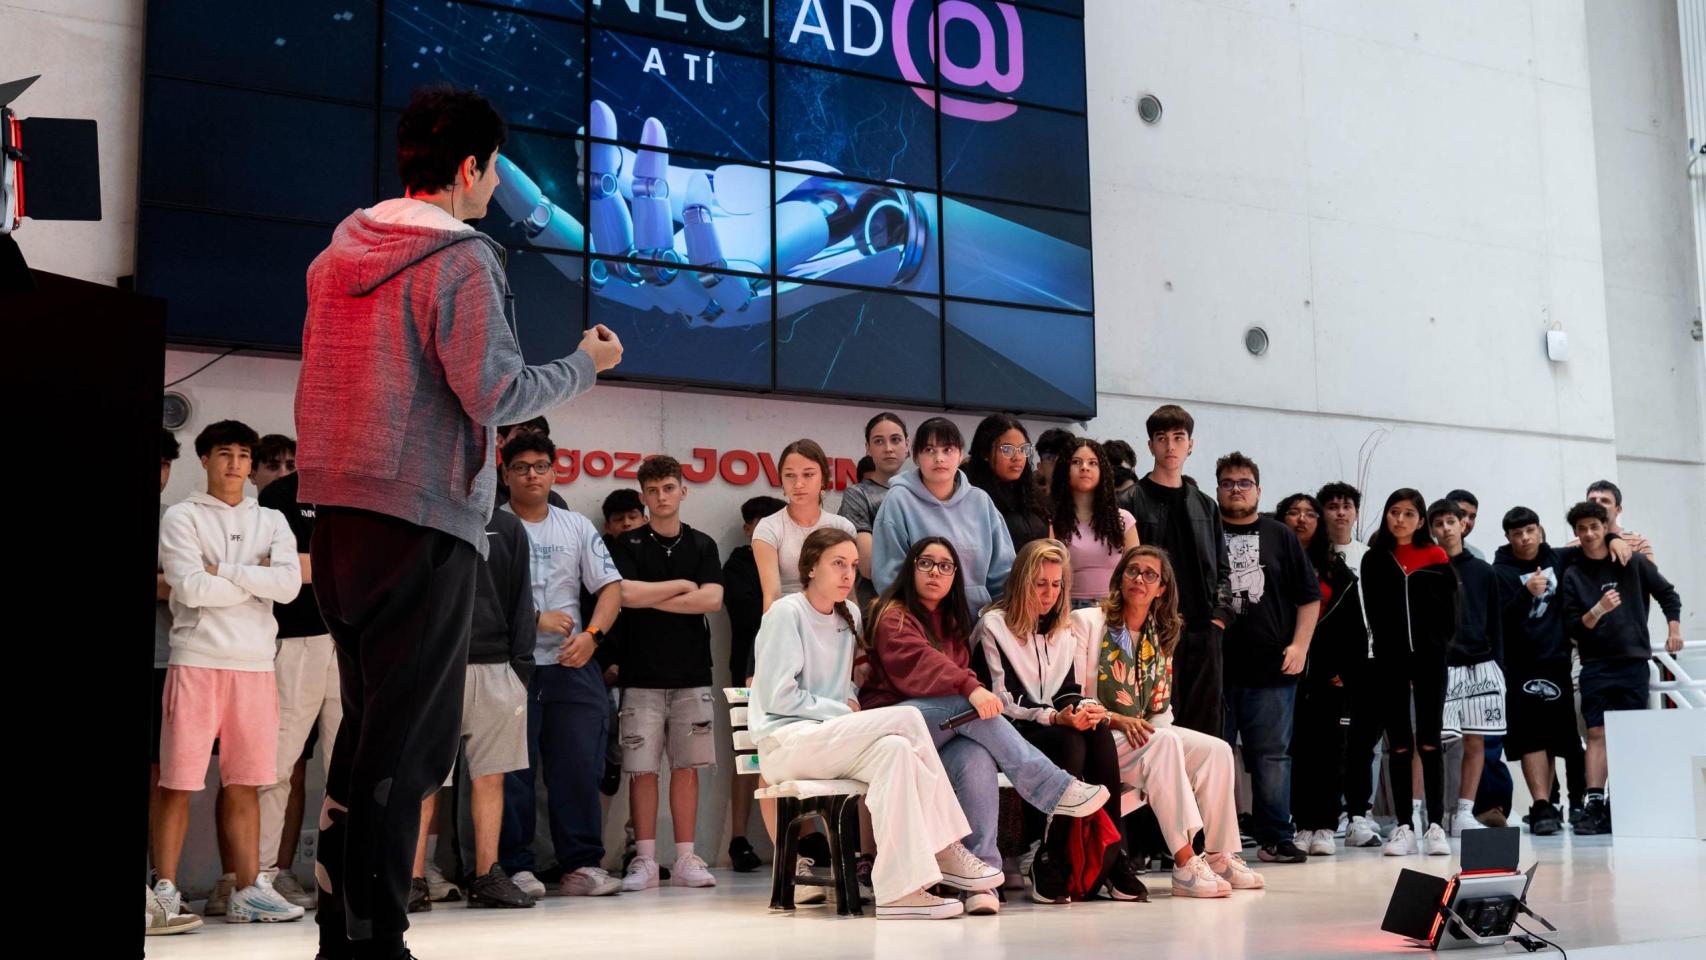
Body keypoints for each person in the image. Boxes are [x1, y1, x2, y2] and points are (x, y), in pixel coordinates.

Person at [296, 85, 622, 960]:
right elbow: (498, 392)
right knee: (408, 742)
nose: (491, 195)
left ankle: (344, 929)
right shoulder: (464, 259)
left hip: (338, 526)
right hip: (421, 522)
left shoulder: (336, 257)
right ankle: (375, 937)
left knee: (367, 734)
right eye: (493, 173)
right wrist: (584, 367)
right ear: (470, 168)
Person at [749, 528, 1004, 920]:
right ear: (811, 568)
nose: (849, 574)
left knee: (897, 751)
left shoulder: (849, 613)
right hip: (786, 744)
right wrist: (845, 710)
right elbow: (778, 697)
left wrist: (850, 693)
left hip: (827, 740)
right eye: (838, 564)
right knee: (907, 717)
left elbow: (843, 680)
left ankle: (898, 891)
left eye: (853, 565)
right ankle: (946, 844)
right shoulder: (786, 612)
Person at [860, 536, 1114, 914]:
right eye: (926, 563)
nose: (935, 573)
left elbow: (958, 672)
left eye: (945, 566)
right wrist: (970, 689)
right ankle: (1053, 787)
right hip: (895, 726)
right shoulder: (892, 614)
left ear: (955, 578)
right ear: (910, 568)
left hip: (940, 731)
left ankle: (983, 881)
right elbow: (920, 666)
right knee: (970, 704)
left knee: (977, 754)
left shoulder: (951, 622)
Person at [154, 420, 306, 924]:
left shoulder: (273, 522)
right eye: (225, 454)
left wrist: (225, 572)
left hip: (256, 666)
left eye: (243, 455)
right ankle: (165, 891)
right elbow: (190, 588)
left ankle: (247, 890)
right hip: (197, 660)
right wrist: (253, 579)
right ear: (204, 459)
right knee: (178, 782)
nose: (235, 464)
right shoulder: (182, 517)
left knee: (246, 781)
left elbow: (287, 588)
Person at [1073, 545, 1265, 896]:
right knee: (1163, 743)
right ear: (1120, 578)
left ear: (1162, 588)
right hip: (1098, 735)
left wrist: (1161, 743)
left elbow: (1160, 710)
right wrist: (1118, 719)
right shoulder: (1088, 622)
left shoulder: (1159, 633)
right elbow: (1073, 694)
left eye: (1150, 575)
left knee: (1216, 751)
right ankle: (1185, 861)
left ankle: (1221, 854)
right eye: (1132, 571)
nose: (1139, 579)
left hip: (1143, 735)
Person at [497, 433, 627, 899]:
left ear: (555, 471)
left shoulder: (575, 526)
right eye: (521, 467)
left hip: (573, 664)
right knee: (512, 770)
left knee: (578, 768)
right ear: (505, 473)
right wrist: (534, 621)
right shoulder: (490, 525)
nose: (532, 474)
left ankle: (582, 866)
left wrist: (593, 638)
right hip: (512, 667)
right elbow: (478, 596)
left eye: (540, 466)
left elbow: (611, 588)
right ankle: (513, 867)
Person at [974, 539, 1130, 904]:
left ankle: (1111, 850)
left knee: (1098, 732)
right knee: (1069, 743)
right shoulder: (993, 625)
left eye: (1056, 584)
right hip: (1010, 729)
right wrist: (1055, 716)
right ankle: (1047, 853)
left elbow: (1069, 688)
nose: (1049, 593)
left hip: (1052, 721)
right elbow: (1003, 697)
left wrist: (1083, 708)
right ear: (1021, 583)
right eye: (1039, 583)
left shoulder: (1064, 628)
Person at [413, 507, 538, 911]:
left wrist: (520, 669)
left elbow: (522, 595)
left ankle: (487, 876)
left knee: (491, 777)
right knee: (422, 779)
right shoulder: (426, 516)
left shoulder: (507, 526)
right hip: (434, 665)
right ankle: (411, 879)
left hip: (498, 666)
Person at [611, 455, 726, 892]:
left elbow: (712, 600)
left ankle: (684, 857)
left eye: (668, 488)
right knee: (641, 770)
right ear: (643, 497)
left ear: (683, 490)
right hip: (640, 674)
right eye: (653, 490)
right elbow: (623, 593)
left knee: (688, 768)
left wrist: (651, 597)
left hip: (691, 673)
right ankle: (643, 859)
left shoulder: (702, 545)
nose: (661, 497)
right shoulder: (627, 545)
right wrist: (681, 587)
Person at [1214, 454, 1319, 864]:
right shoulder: (1206, 530)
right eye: (1227, 483)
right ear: (1218, 489)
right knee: (1214, 757)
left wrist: (1300, 647)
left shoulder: (1280, 535)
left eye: (1244, 483)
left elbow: (1309, 597)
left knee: (1272, 756)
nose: (1236, 489)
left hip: (1272, 667)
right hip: (1216, 667)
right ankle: (1213, 841)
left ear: (1258, 489)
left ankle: (1276, 835)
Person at [1559, 500, 1683, 835]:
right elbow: (1574, 626)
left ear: (1605, 528)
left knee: (1629, 733)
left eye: (1594, 527)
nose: (1588, 534)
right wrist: (1598, 609)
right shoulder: (1572, 573)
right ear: (1575, 533)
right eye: (1581, 529)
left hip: (1632, 660)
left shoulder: (1632, 561)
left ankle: (1624, 800)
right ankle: (1594, 801)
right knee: (1596, 732)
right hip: (1595, 662)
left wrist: (1674, 629)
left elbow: (1668, 594)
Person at [1116, 405, 1235, 739]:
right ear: (1151, 445)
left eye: (1178, 438)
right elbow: (1122, 569)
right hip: (1150, 630)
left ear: (1190, 445)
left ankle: (1198, 794)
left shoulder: (1205, 504)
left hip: (1202, 629)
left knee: (1205, 729)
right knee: (1154, 726)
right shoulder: (1128, 501)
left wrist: (1220, 616)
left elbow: (1222, 568)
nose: (1170, 446)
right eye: (1162, 438)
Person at [255, 466, 340, 911]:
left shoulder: (352, 490)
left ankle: (341, 877)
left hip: (349, 641)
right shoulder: (281, 494)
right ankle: (261, 876)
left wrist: (317, 566)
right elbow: (280, 569)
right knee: (278, 761)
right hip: (295, 638)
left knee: (347, 766)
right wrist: (340, 566)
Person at [1360, 489, 1458, 857]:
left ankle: (1435, 824)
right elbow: (1374, 611)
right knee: (1399, 744)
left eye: (1409, 513)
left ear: (1420, 520)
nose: (1400, 519)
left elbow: (1451, 615)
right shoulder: (1374, 559)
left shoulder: (1436, 558)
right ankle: (1404, 826)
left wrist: (1435, 648)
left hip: (1431, 660)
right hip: (1390, 660)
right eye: (1394, 512)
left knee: (1430, 742)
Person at [1492, 507, 1586, 836]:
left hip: (1558, 660)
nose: (1525, 538)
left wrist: (1616, 538)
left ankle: (1577, 804)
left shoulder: (1557, 558)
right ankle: (1542, 804)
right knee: (1531, 737)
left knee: (1565, 738)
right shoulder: (1499, 572)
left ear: (1540, 530)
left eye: (1530, 530)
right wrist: (1525, 593)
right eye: (1517, 533)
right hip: (1520, 664)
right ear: (1508, 537)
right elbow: (1499, 619)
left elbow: (1591, 544)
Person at [872, 417, 1015, 618]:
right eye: (929, 450)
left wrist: (996, 618)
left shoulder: (981, 501)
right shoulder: (898, 500)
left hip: (979, 624)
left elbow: (1004, 573)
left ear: (960, 455)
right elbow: (890, 577)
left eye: (947, 450)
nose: (939, 458)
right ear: (915, 457)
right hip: (922, 624)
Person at [1428, 500, 1508, 838]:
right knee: (1432, 744)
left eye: (1451, 521)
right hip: (1441, 666)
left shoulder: (1483, 570)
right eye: (1439, 524)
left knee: (1476, 743)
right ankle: (1425, 814)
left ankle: (1463, 811)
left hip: (1480, 665)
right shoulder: (1427, 569)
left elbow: (1495, 622)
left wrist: (1499, 668)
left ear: (1463, 525)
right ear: (1430, 529)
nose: (1446, 529)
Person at [1276, 493, 1349, 856]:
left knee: (1328, 750)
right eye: (1293, 512)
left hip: (1327, 673)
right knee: (1294, 750)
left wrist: (1342, 669)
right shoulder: (1272, 561)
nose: (1301, 519)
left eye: (1309, 514)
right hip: (1282, 669)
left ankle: (1327, 825)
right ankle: (1301, 823)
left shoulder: (1336, 568)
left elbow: (1351, 622)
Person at [721, 495, 784, 872]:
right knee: (747, 752)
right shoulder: (739, 563)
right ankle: (739, 836)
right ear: (748, 529)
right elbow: (750, 615)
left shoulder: (794, 561)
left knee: (798, 747)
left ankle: (808, 835)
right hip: (750, 663)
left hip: (796, 666)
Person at [754, 439, 857, 612]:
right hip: (789, 616)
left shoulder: (842, 527)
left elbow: (849, 590)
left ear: (823, 478)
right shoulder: (769, 528)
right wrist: (773, 635)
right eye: (790, 475)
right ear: (781, 480)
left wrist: (856, 634)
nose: (798, 484)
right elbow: (772, 594)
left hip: (834, 615)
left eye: (808, 474)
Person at [1051, 437, 1138, 607]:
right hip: (1066, 609)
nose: (1084, 467)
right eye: (1076, 462)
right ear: (1064, 469)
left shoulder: (1123, 520)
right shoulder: (1051, 520)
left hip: (1115, 608)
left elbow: (1136, 570)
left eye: (1092, 463)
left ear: (1103, 471)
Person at [838, 413, 909, 613]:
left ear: (907, 444)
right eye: (879, 441)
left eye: (895, 440)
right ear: (868, 448)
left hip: (925, 609)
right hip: (877, 610)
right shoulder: (857, 495)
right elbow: (869, 566)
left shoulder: (923, 492)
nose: (888, 448)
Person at [964, 414, 1053, 553]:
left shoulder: (1033, 494)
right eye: (1007, 449)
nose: (1017, 457)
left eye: (1023, 449)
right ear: (985, 452)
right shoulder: (971, 496)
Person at [494, 416, 568, 509]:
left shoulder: (555, 502)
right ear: (500, 440)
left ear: (553, 474)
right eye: (520, 436)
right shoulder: (483, 496)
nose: (530, 442)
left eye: (539, 436)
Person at [1570, 480, 1655, 561]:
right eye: (1592, 500)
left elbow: (1649, 575)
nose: (1597, 504)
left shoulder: (1638, 543)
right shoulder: (1572, 547)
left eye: (1605, 501)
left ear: (1618, 509)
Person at [1444, 489, 1486, 560]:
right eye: (1462, 513)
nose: (1467, 521)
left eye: (1472, 517)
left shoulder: (1477, 557)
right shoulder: (1425, 551)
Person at [1033, 428, 1075, 501]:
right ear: (1040, 468)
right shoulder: (1029, 506)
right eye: (1050, 457)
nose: (1057, 462)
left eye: (1064, 456)